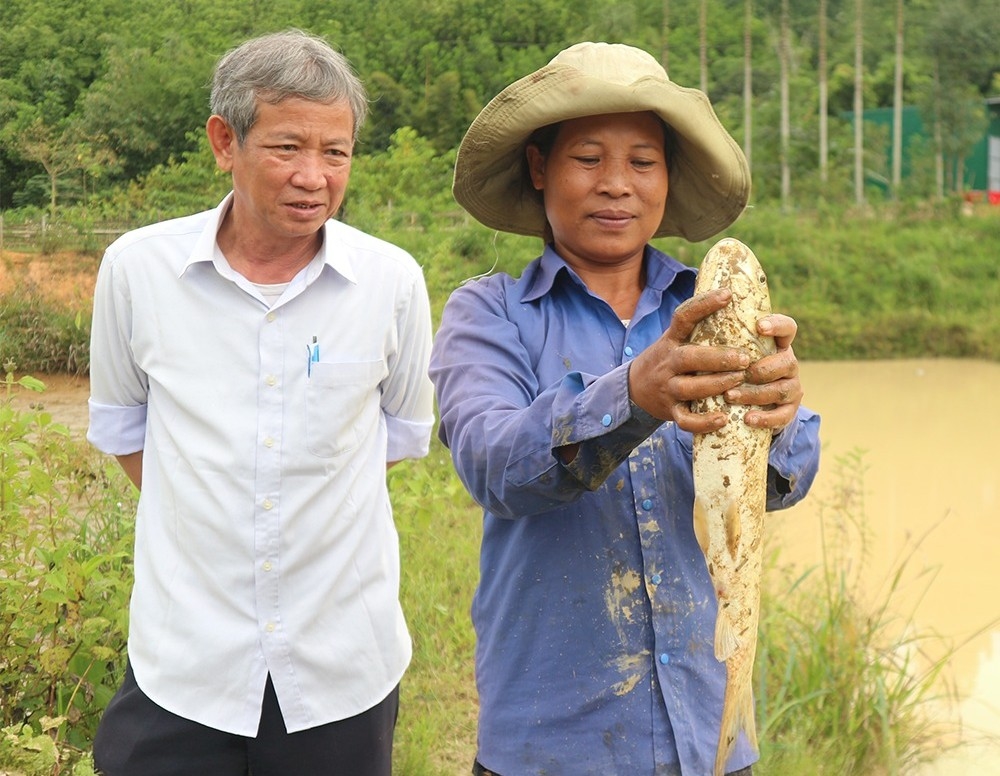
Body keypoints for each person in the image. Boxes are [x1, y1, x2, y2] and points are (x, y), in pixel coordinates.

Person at [429, 42, 821, 776]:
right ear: (540, 168)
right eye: (587, 159)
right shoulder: (490, 315)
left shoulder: (715, 309)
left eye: (643, 161)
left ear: (668, 178)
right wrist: (632, 396)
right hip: (554, 744)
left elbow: (779, 483)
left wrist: (781, 412)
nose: (618, 184)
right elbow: (493, 464)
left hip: (710, 736)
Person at [86, 29, 435, 776]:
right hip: (184, 663)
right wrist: (219, 509)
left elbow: (398, 439)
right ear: (224, 141)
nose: (314, 176)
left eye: (335, 152)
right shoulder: (138, 271)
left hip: (342, 666)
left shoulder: (391, 282)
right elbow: (123, 428)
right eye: (286, 148)